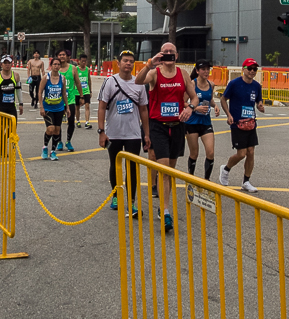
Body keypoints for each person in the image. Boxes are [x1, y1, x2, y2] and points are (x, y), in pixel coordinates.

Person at [135, 43, 198, 233]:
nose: (169, 54)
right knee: (163, 168)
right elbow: (138, 81)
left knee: (170, 170)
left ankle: (163, 206)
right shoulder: (155, 73)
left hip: (177, 126)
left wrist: (189, 108)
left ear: (177, 55)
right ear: (161, 54)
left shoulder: (183, 74)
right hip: (158, 126)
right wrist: (149, 64)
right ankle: (166, 211)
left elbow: (194, 97)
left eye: (172, 52)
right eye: (165, 52)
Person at [97, 50, 149, 217]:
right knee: (115, 165)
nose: (128, 64)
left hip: (133, 134)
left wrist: (146, 134)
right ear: (118, 63)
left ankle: (131, 203)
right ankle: (116, 196)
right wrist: (101, 131)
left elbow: (143, 110)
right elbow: (102, 107)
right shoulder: (110, 82)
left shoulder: (139, 83)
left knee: (132, 168)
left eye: (131, 61)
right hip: (113, 133)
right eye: (125, 61)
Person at [218, 58, 265, 194]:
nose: (252, 71)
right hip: (237, 123)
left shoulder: (256, 86)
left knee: (251, 152)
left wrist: (260, 105)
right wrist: (228, 115)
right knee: (241, 153)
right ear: (243, 69)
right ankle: (226, 169)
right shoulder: (234, 84)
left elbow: (258, 100)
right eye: (249, 68)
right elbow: (223, 99)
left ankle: (246, 181)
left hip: (250, 123)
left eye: (254, 69)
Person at [185, 60, 220, 181]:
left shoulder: (211, 84)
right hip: (192, 122)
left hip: (205, 122)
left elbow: (209, 99)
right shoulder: (192, 84)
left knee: (210, 152)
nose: (206, 72)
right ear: (197, 71)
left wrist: (215, 106)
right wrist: (195, 108)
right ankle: (191, 178)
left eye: (207, 69)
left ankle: (206, 180)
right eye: (203, 69)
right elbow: (183, 102)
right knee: (194, 153)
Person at [38, 57, 68, 161]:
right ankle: (45, 147)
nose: (56, 66)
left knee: (57, 130)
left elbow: (64, 93)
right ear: (51, 66)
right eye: (54, 64)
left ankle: (53, 151)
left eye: (58, 64)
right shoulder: (46, 77)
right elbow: (39, 92)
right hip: (48, 108)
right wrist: (41, 107)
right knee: (50, 129)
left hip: (59, 108)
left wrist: (67, 107)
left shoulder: (62, 78)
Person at [56, 49, 83, 152]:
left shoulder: (73, 68)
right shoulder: (55, 69)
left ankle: (68, 141)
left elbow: (78, 82)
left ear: (67, 57)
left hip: (70, 100)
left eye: (63, 55)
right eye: (60, 54)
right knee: (57, 122)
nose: (62, 56)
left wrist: (81, 96)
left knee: (71, 121)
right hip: (58, 100)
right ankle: (59, 142)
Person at [0, 54, 23, 121]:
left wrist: (21, 103)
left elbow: (18, 90)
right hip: (0, 106)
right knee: (1, 130)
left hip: (11, 106)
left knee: (12, 129)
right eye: (5, 63)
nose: (7, 65)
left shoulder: (16, 75)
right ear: (1, 64)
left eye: (9, 63)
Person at [75, 53, 93, 128]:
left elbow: (89, 80)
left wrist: (90, 90)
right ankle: (78, 121)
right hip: (77, 91)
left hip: (86, 90)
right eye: (82, 61)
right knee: (77, 107)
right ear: (79, 61)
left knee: (87, 106)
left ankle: (87, 122)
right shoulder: (76, 69)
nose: (84, 63)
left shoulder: (87, 69)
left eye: (85, 61)